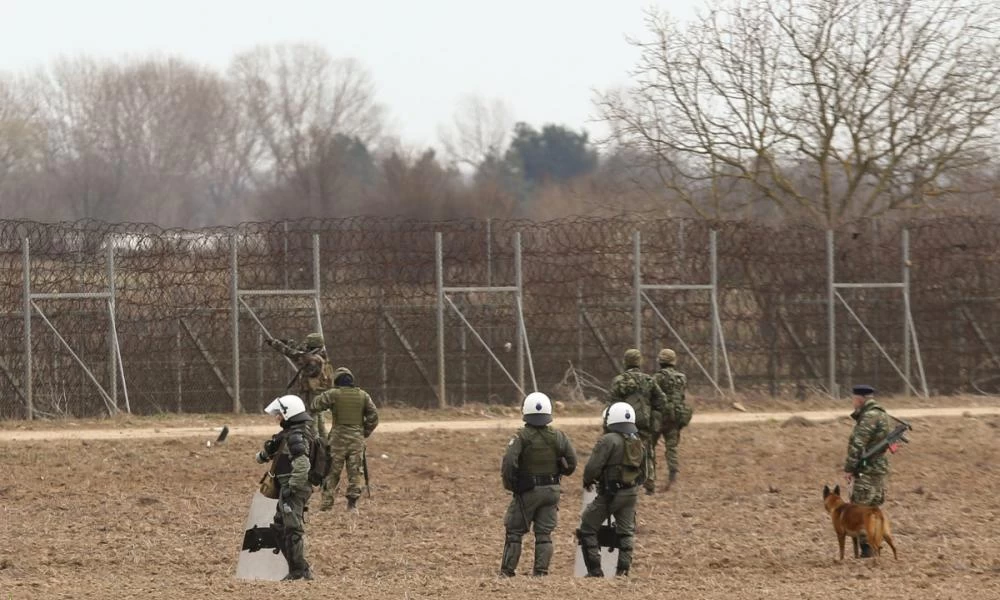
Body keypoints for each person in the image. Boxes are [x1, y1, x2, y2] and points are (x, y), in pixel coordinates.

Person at [499, 392, 578, 577]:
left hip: (528, 491)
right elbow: (572, 461)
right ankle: (541, 572)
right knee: (544, 534)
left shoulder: (521, 437)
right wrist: (561, 473)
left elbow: (509, 462)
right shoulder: (558, 436)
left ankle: (508, 571)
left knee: (514, 531)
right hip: (552, 490)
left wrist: (512, 485)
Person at [577, 402, 647, 577]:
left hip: (610, 494)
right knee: (626, 531)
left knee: (587, 525)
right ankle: (623, 571)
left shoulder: (608, 440)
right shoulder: (637, 441)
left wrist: (588, 480)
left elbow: (594, 466)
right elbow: (644, 472)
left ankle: (595, 570)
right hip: (631, 493)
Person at [255, 394, 317, 580]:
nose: (277, 418)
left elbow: (302, 466)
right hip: (290, 487)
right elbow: (262, 457)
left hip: (294, 488)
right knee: (280, 526)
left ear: (290, 414)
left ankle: (298, 572)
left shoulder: (296, 437)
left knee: (292, 528)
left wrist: (292, 487)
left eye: (280, 414)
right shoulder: (291, 435)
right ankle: (300, 568)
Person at [311, 367, 379, 511]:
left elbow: (315, 404)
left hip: (337, 441)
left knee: (332, 472)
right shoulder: (363, 395)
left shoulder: (334, 394)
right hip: (356, 440)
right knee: (355, 472)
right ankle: (352, 504)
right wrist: (363, 432)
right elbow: (374, 416)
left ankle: (326, 505)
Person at [842, 384, 892, 558]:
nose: (853, 402)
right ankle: (875, 546)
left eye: (854, 399)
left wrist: (849, 468)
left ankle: (867, 550)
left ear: (860, 399)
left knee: (861, 511)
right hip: (879, 470)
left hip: (867, 470)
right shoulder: (883, 414)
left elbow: (857, 444)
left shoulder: (868, 417)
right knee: (874, 510)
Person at [608, 348, 666, 495]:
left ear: (625, 362)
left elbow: (612, 403)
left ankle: (625, 481)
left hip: (623, 422)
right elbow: (661, 399)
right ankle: (650, 483)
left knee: (623, 451)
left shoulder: (619, 380)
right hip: (644, 421)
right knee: (647, 452)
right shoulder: (649, 380)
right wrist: (653, 413)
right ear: (640, 362)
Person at [266, 332, 335, 437]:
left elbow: (292, 353)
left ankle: (315, 443)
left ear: (312, 345)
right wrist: (287, 342)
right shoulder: (322, 355)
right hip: (321, 392)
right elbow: (299, 349)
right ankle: (324, 443)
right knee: (319, 419)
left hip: (313, 393)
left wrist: (275, 343)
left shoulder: (312, 359)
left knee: (311, 420)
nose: (305, 346)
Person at [652, 348, 690, 491]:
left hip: (659, 417)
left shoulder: (657, 378)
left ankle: (649, 476)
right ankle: (672, 476)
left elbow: (652, 395)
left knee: (650, 447)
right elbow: (681, 397)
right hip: (675, 416)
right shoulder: (681, 378)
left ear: (660, 361)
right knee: (671, 447)